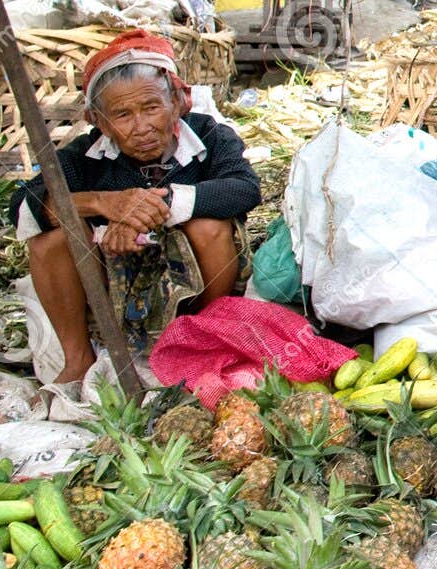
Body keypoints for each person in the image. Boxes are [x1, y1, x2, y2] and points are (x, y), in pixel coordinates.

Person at [14, 28, 261, 384]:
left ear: (177, 102)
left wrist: (156, 208)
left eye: (151, 107)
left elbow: (245, 189)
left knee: (209, 226)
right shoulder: (84, 158)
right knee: (49, 239)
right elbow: (22, 208)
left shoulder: (209, 135)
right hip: (112, 294)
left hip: (197, 288)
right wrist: (105, 203)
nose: (141, 126)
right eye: (123, 114)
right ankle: (79, 358)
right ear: (99, 122)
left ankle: (205, 342)